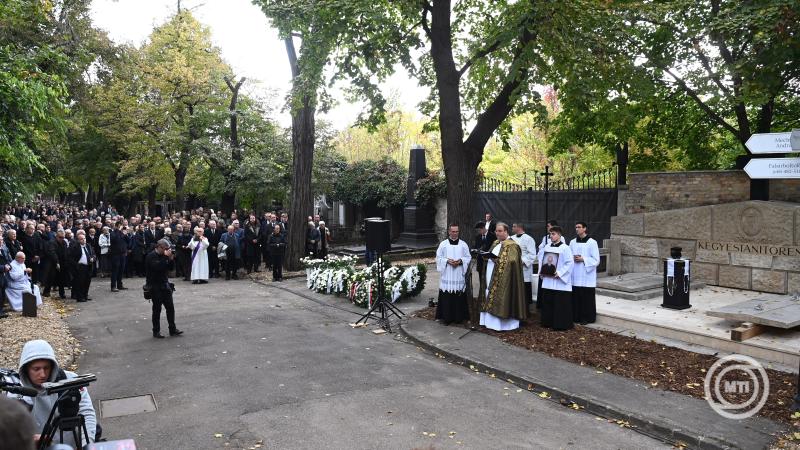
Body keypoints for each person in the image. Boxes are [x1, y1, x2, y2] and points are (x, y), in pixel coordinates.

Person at [2, 340, 98, 449]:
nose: (42, 374)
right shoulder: (16, 391)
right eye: (36, 369)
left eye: (46, 368)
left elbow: (87, 413)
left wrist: (87, 445)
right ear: (25, 369)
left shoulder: (71, 380)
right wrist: (28, 439)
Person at [478, 223, 527, 331]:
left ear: (506, 231)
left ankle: (502, 324)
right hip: (490, 274)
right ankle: (489, 322)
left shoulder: (512, 245)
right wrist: (486, 256)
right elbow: (491, 254)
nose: (497, 233)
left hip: (505, 279)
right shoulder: (495, 243)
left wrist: (498, 260)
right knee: (489, 294)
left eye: (500, 231)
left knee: (502, 297)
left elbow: (512, 261)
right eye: (496, 231)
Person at [538, 226, 574, 331]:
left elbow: (570, 263)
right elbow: (541, 260)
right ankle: (547, 322)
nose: (551, 236)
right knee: (548, 302)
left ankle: (560, 324)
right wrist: (542, 271)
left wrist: (560, 273)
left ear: (559, 235)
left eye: (553, 234)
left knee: (560, 304)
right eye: (550, 234)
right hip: (548, 280)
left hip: (560, 282)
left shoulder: (565, 248)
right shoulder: (547, 247)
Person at [435, 224, 472, 325]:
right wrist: (447, 261)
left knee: (459, 295)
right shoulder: (443, 244)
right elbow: (438, 258)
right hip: (447, 273)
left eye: (457, 232)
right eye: (453, 231)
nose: (455, 233)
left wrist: (460, 261)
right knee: (446, 295)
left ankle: (458, 318)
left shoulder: (463, 244)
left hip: (458, 273)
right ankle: (447, 318)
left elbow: (468, 257)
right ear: (449, 232)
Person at [145, 239, 183, 338]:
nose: (167, 251)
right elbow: (158, 268)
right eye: (166, 249)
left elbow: (170, 269)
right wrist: (165, 257)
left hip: (165, 285)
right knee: (157, 309)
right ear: (159, 247)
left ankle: (172, 329)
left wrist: (171, 259)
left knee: (170, 308)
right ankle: (156, 331)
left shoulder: (164, 255)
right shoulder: (151, 256)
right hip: (155, 286)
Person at [570, 222, 600, 325]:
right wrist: (573, 258)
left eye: (579, 227)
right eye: (576, 227)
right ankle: (576, 317)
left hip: (587, 275)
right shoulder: (572, 242)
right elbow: (569, 256)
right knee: (576, 296)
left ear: (584, 229)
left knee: (586, 298)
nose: (577, 229)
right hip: (575, 273)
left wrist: (583, 259)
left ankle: (587, 318)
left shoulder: (592, 242)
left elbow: (596, 260)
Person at [536, 220, 563, 309]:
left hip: (555, 269)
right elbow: (541, 248)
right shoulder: (545, 238)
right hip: (545, 266)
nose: (547, 228)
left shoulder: (561, 240)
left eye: (549, 226)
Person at [510, 223, 537, 310]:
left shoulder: (529, 239)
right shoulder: (511, 238)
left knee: (524, 292)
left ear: (519, 227)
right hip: (512, 269)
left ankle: (525, 311)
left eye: (514, 226)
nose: (512, 228)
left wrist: (522, 261)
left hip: (524, 270)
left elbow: (532, 254)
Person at [68, 234, 95, 302]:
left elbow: (93, 254)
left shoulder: (88, 245)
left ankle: (85, 295)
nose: (84, 240)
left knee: (87, 282)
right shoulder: (75, 247)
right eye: (81, 239)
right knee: (80, 283)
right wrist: (76, 265)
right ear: (78, 240)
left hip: (88, 266)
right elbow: (70, 258)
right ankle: (79, 297)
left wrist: (93, 258)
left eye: (84, 238)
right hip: (80, 267)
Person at [109, 223, 128, 292]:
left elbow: (127, 241)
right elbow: (115, 240)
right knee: (115, 270)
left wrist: (125, 234)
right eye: (120, 226)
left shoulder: (122, 233)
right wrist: (118, 231)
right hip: (115, 254)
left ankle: (120, 285)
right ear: (116, 227)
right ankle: (113, 286)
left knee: (121, 270)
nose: (121, 228)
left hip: (122, 254)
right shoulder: (113, 233)